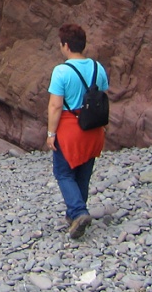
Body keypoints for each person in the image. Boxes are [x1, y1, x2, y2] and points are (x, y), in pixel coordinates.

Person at [46, 23, 109, 239]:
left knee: (63, 172)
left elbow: (55, 106)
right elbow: (102, 96)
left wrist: (50, 134)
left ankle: (79, 212)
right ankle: (75, 214)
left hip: (70, 129)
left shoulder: (61, 71)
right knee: (83, 171)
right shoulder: (98, 68)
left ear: (65, 45)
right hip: (94, 129)